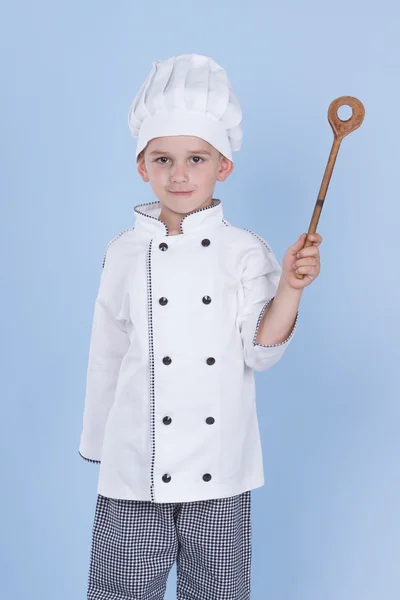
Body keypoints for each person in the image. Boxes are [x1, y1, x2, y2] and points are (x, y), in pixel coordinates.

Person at [79, 53, 322, 600]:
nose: (180, 174)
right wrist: (99, 443)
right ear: (142, 166)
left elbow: (260, 349)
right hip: (134, 470)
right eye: (163, 159)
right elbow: (107, 354)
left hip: (220, 471)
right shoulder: (122, 251)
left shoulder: (243, 251)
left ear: (223, 166)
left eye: (196, 158)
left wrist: (290, 288)